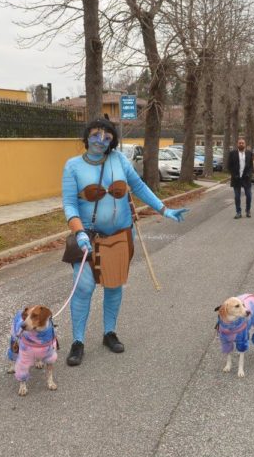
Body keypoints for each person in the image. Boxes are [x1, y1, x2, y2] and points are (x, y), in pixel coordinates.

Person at [62, 118, 188, 366]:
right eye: (95, 135)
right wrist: (79, 232)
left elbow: (138, 186)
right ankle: (77, 342)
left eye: (107, 137)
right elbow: (69, 204)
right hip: (88, 239)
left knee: (114, 285)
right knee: (84, 288)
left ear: (112, 141)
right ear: (87, 136)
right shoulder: (73, 166)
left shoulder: (118, 160)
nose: (100, 141)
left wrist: (164, 210)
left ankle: (109, 333)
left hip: (120, 236)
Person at [228, 138, 253, 219]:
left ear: (245, 144)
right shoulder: (232, 153)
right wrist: (234, 175)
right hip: (236, 178)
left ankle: (248, 210)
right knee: (237, 196)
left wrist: (249, 174)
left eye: (242, 143)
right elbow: (229, 166)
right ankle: (238, 212)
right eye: (240, 143)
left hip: (246, 178)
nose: (241, 144)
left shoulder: (249, 153)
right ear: (237, 144)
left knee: (249, 195)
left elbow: (251, 166)